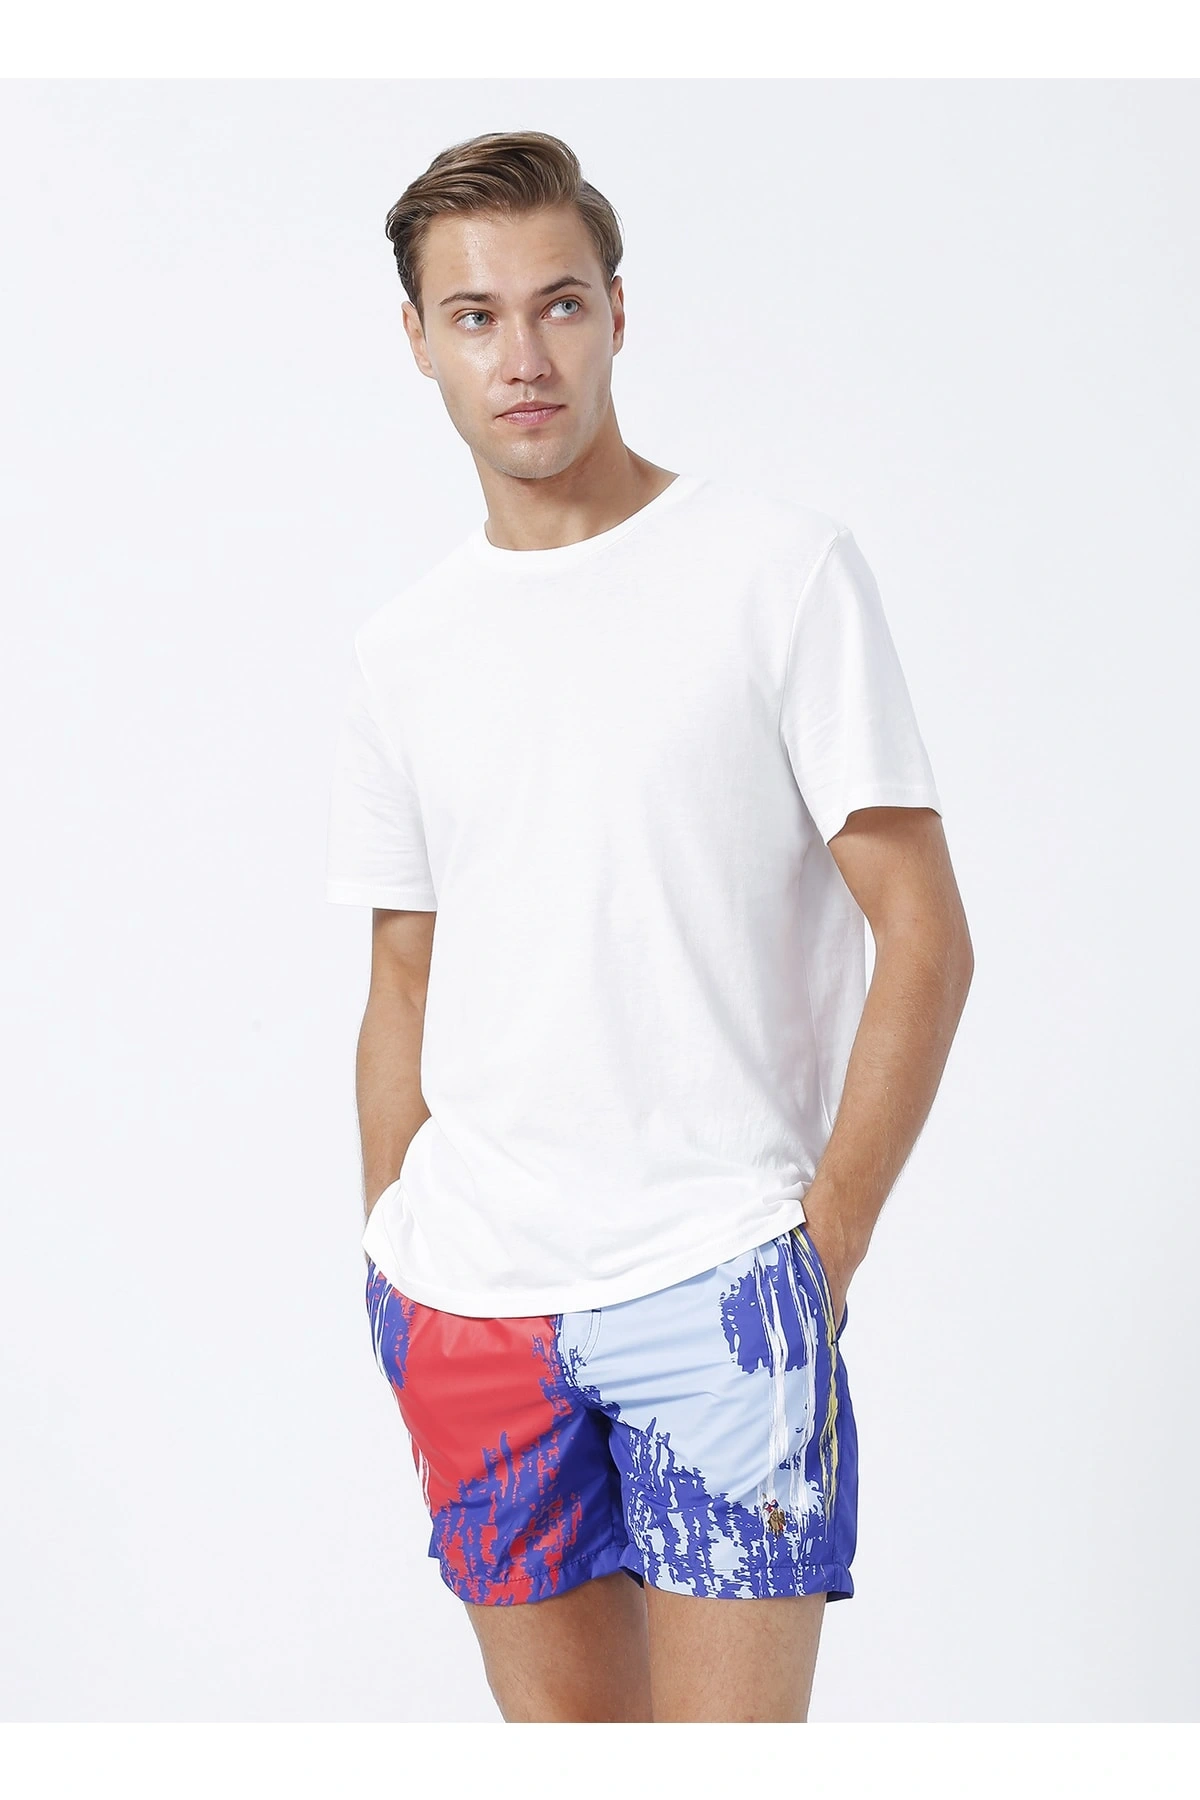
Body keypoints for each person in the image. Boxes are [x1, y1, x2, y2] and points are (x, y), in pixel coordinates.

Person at [325, 129, 974, 1724]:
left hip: (719, 1285)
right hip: (470, 1303)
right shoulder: (404, 652)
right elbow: (403, 970)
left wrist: (825, 1245)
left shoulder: (777, 573)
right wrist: (395, 1254)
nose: (523, 356)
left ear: (618, 312)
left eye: (559, 304)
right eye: (475, 316)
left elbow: (925, 932)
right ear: (416, 339)